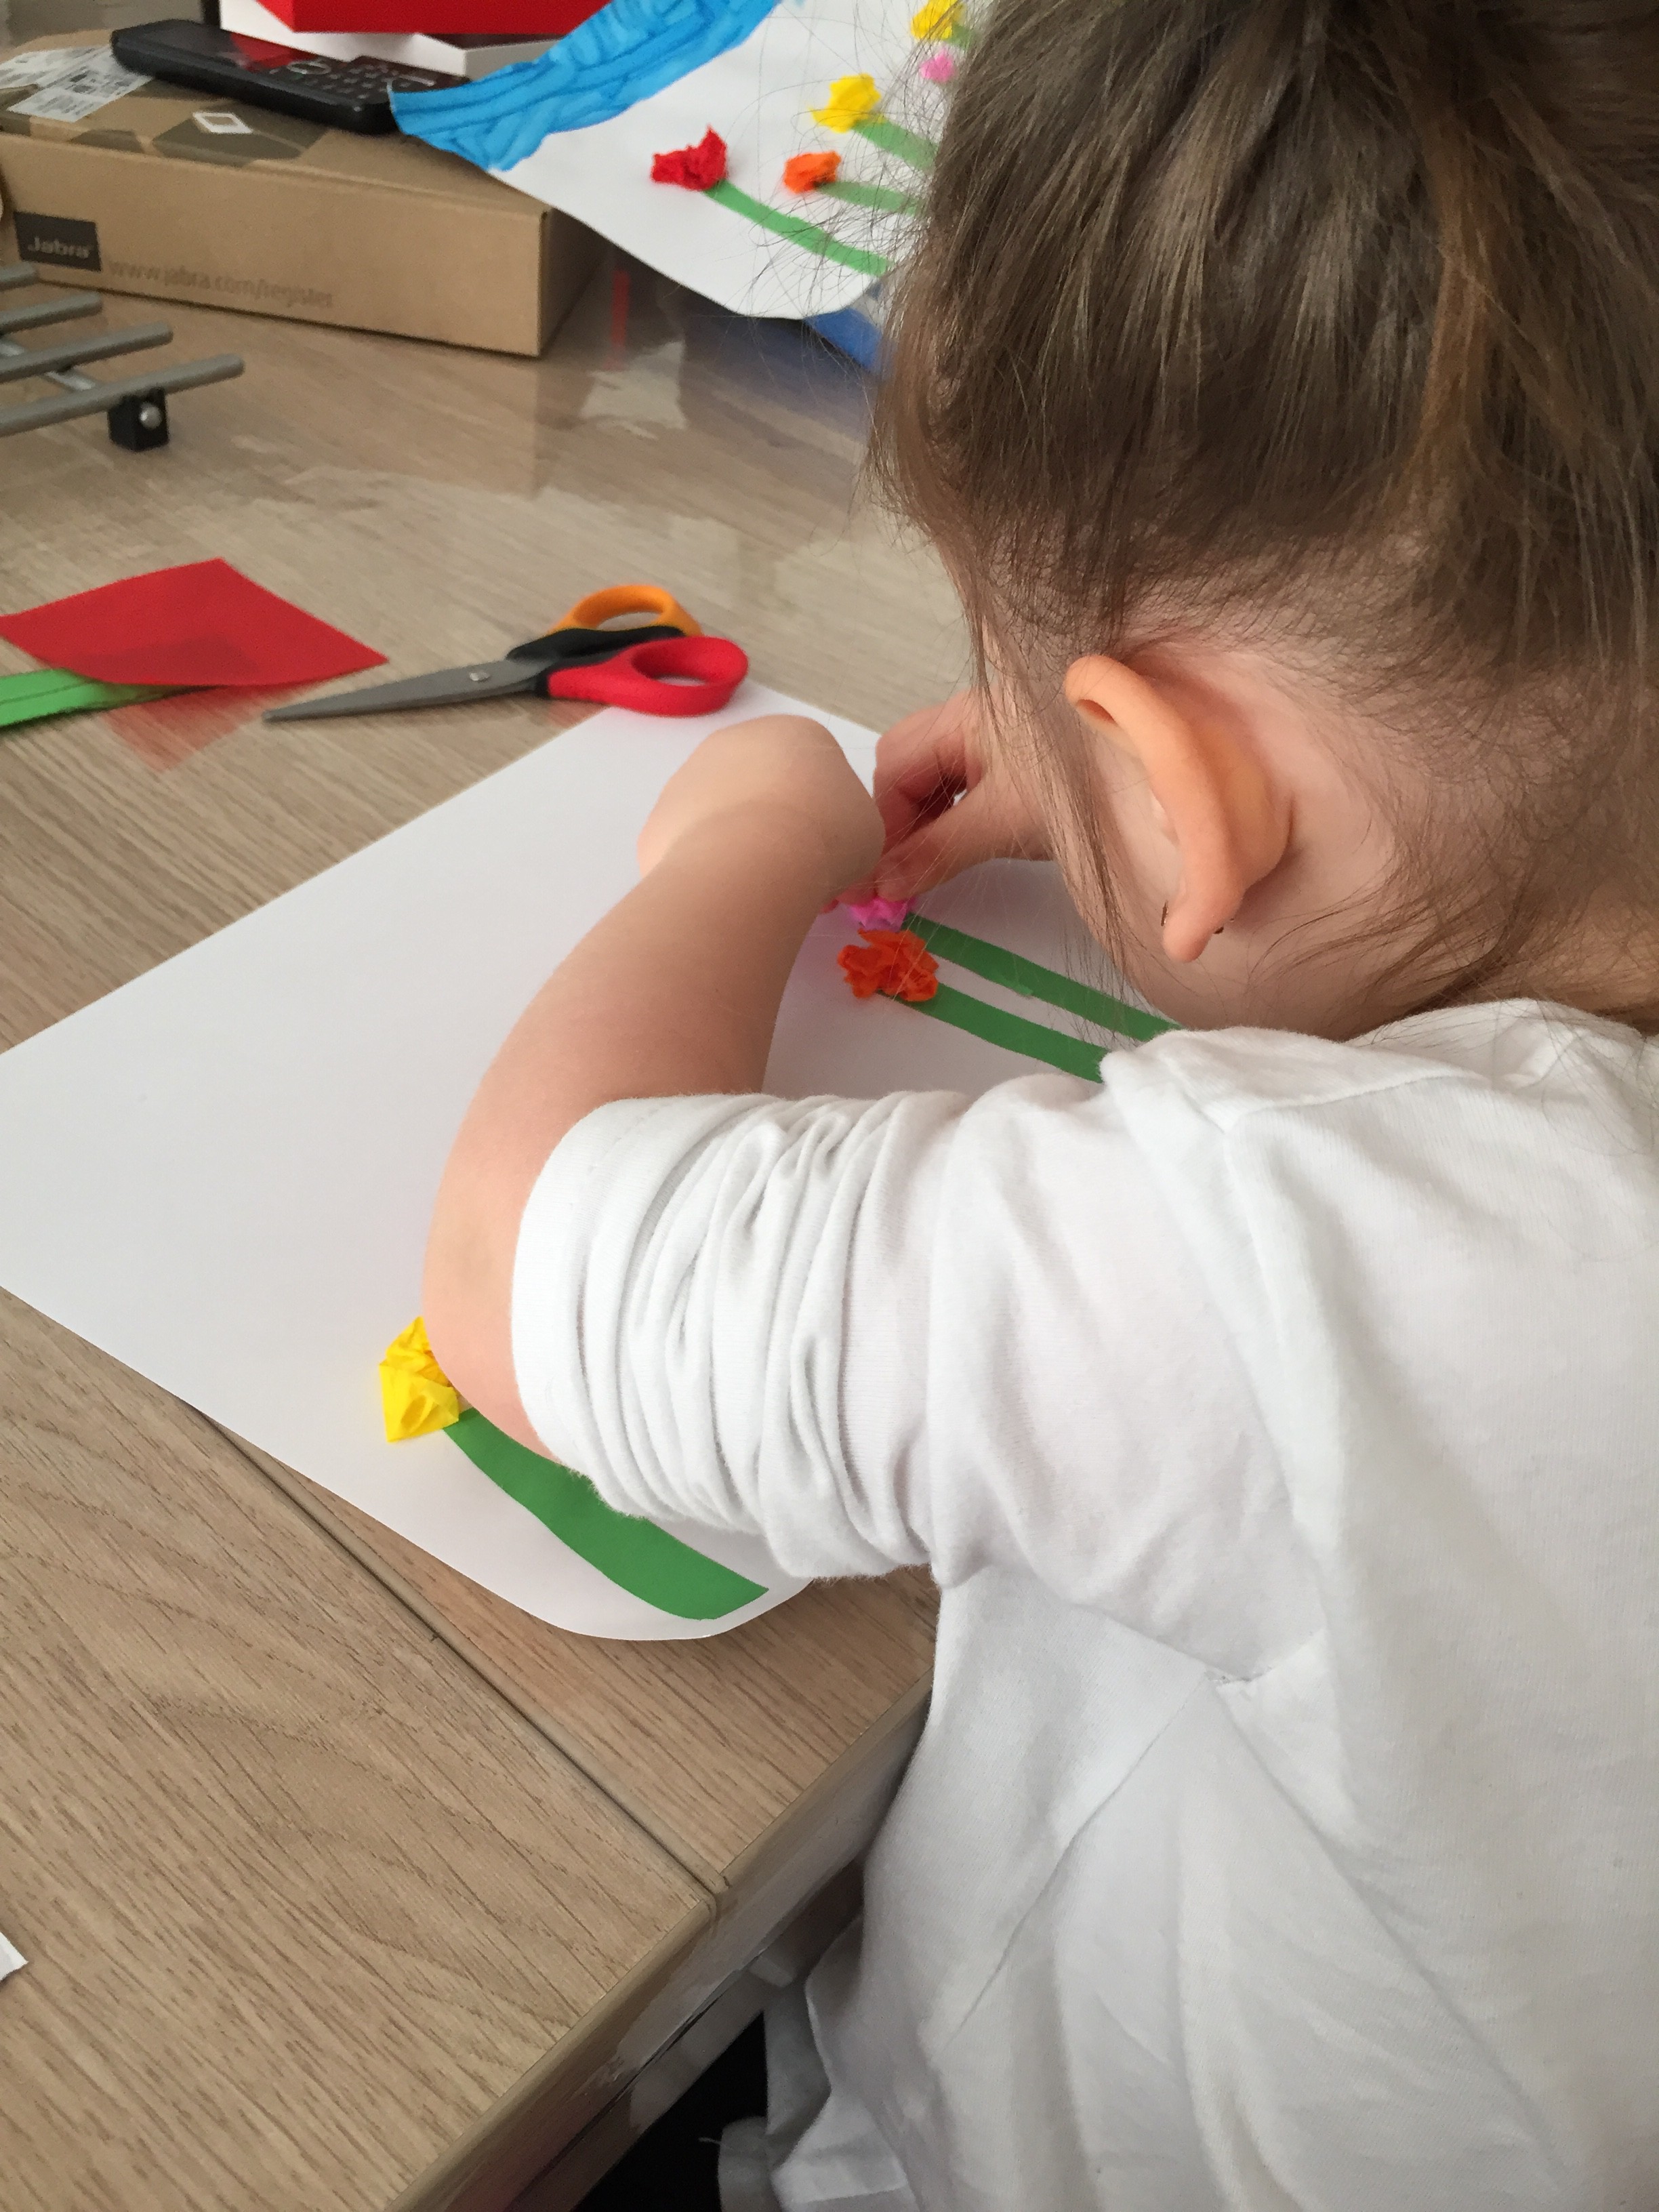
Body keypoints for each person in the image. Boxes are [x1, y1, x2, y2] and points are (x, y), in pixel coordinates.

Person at [423, 0, 1659, 2204]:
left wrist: (747, 844)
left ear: (1195, 802)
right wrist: (1125, 796)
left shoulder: (1348, 1278)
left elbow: (531, 1272)